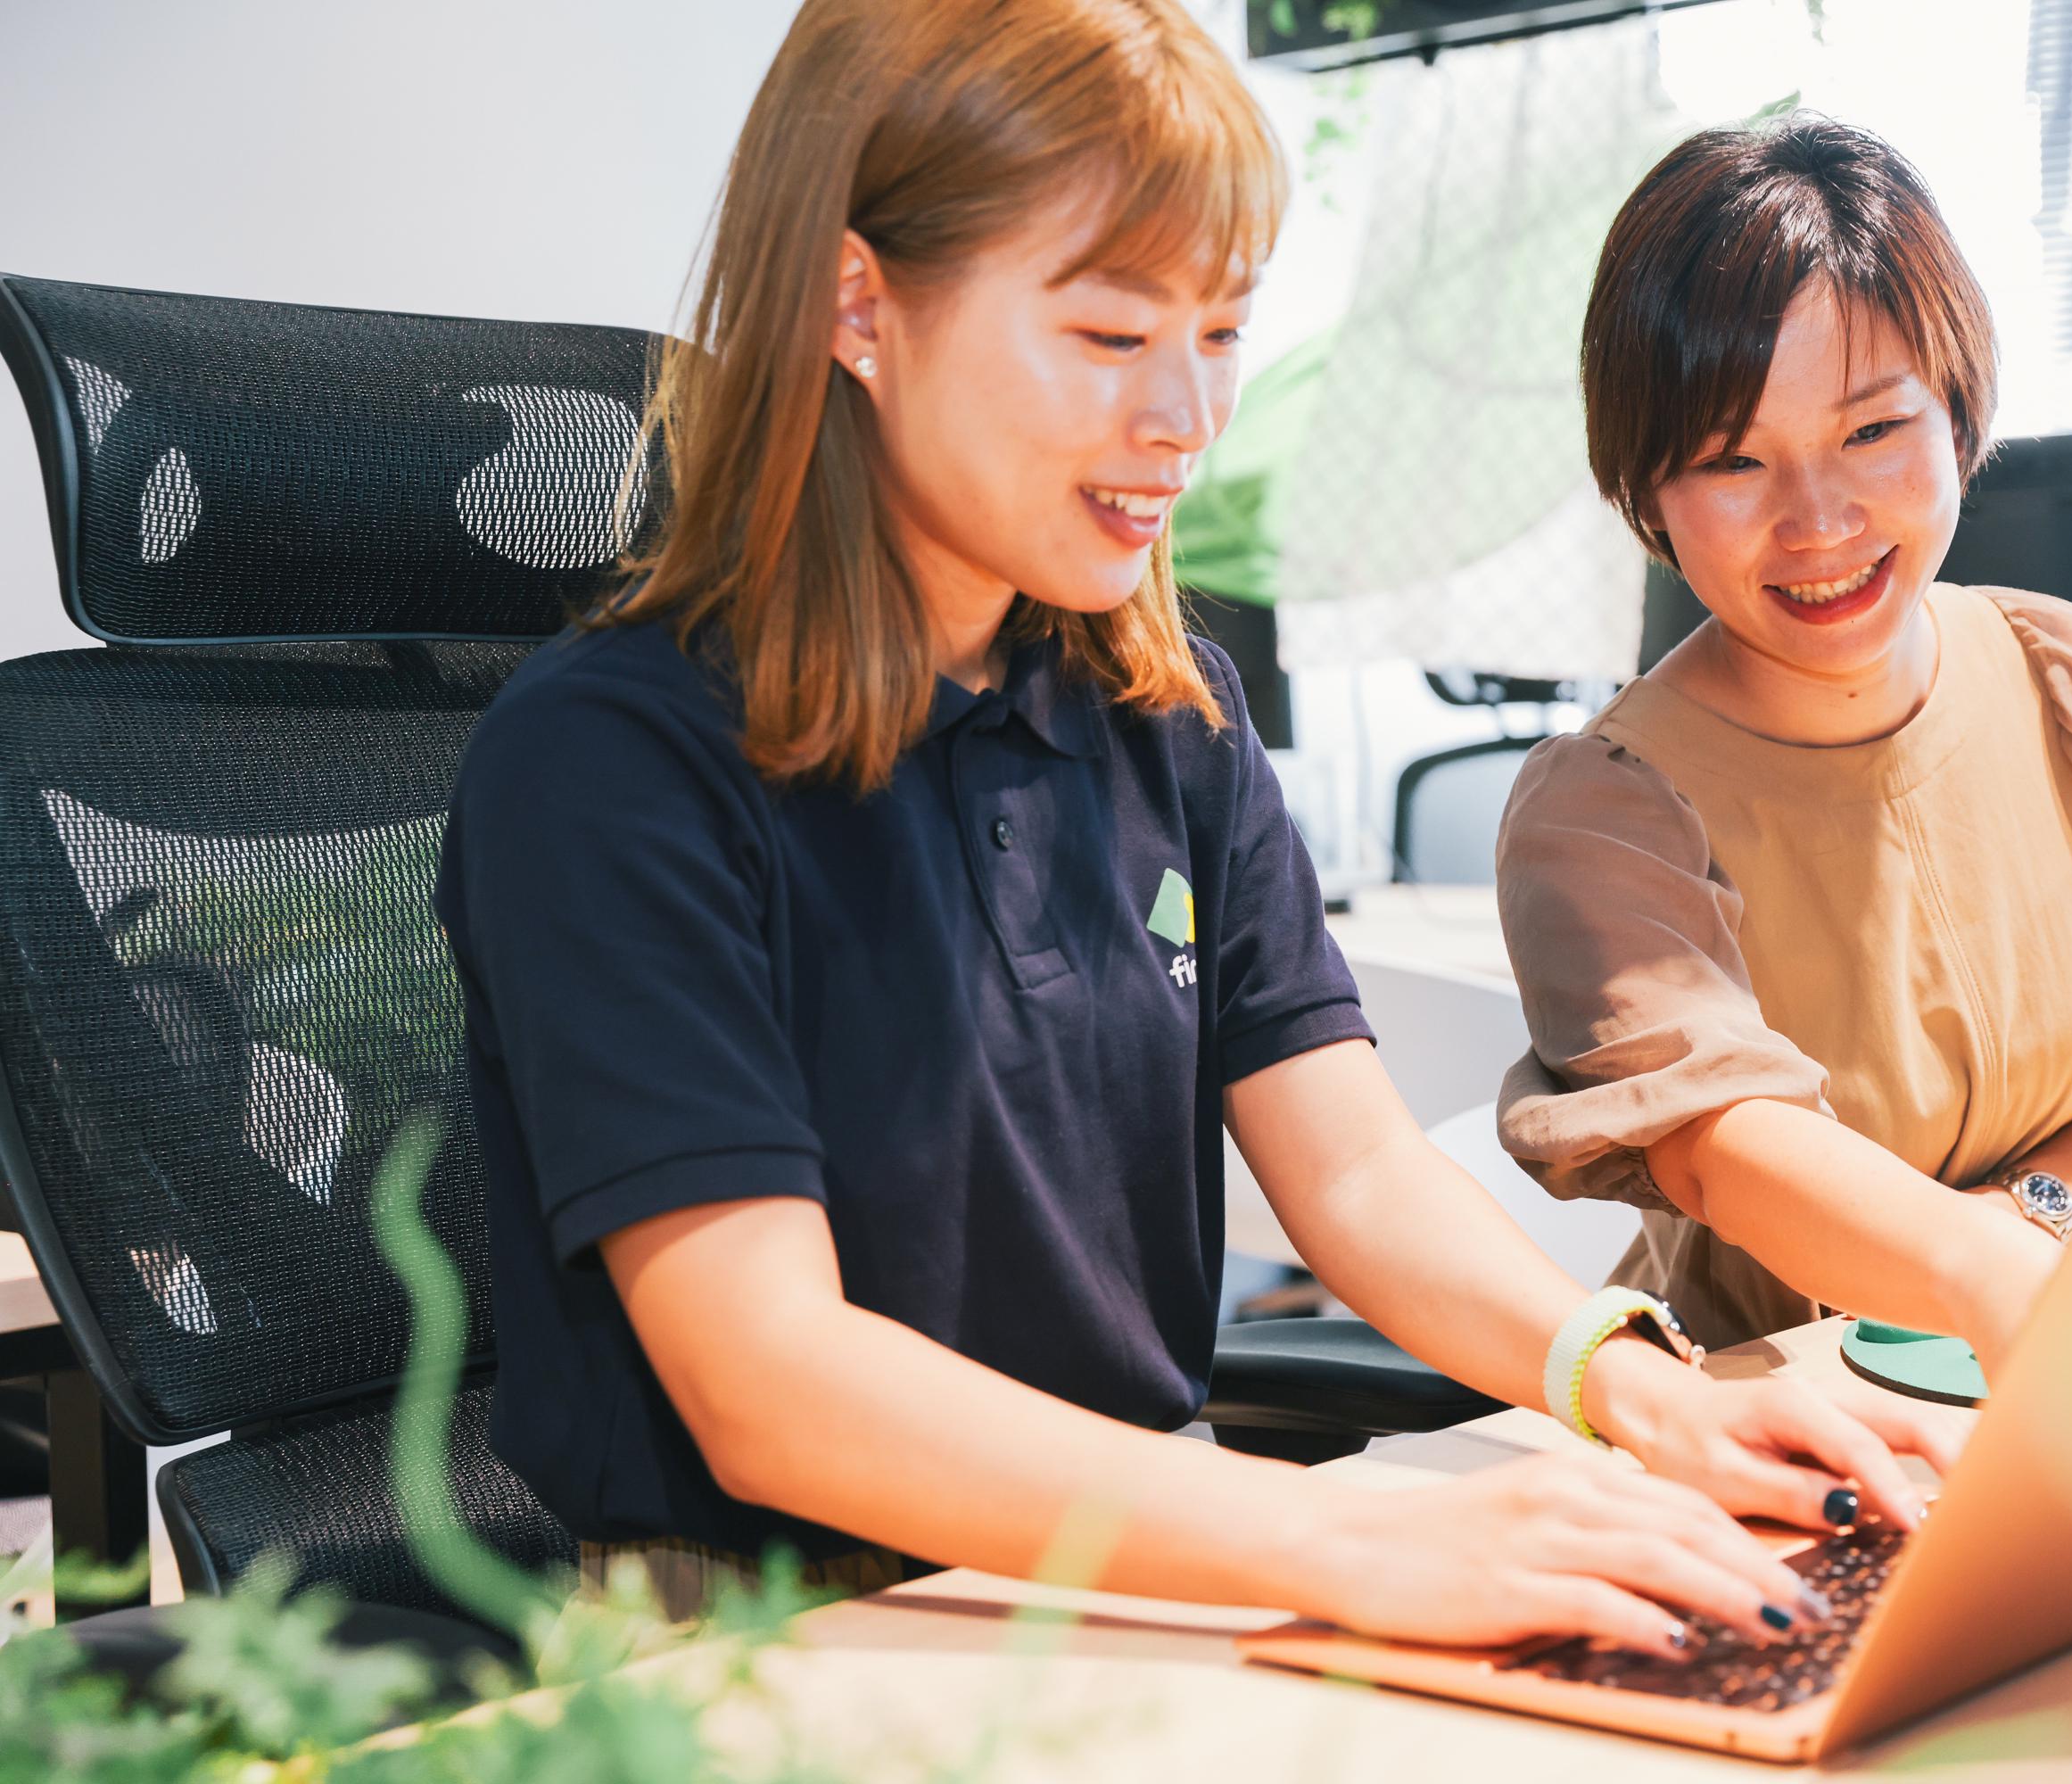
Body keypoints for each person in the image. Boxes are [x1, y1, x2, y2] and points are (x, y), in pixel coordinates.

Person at [435, 0, 1962, 1654]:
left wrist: (1630, 1383)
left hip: (1150, 1562)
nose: (1186, 414)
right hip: (766, 1635)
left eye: (1220, 333)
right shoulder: (610, 762)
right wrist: (1344, 1541)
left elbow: (1359, 1170)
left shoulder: (1171, 717)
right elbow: (772, 1387)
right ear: (858, 306)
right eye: (1109, 336)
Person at [1495, 116, 2072, 1362]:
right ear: (1647, 491)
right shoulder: (1601, 810)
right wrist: (2003, 1270)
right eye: (1731, 458)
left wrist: (2024, 1223)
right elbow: (1733, 1154)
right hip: (1792, 1411)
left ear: (1959, 415)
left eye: (1873, 431)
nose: (1817, 519)